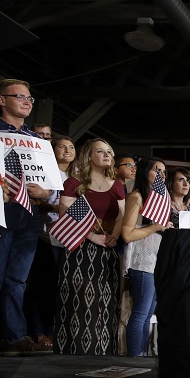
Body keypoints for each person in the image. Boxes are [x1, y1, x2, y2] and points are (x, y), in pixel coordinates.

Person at [0, 79, 53, 364]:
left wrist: (47, 192)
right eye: (20, 96)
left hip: (28, 214)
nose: (28, 102)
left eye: (30, 98)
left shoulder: (36, 140)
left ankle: (16, 337)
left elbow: (48, 182)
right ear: (1, 100)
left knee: (17, 281)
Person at [55, 138, 125, 355]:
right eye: (100, 151)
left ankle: (103, 349)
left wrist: (113, 236)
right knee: (79, 300)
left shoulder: (118, 186)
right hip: (80, 248)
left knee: (105, 301)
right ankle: (74, 350)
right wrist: (91, 236)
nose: (107, 154)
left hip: (109, 250)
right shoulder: (74, 183)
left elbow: (123, 216)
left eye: (109, 151)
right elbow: (64, 214)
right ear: (89, 156)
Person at [25, 135, 76, 349]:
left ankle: (53, 329)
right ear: (52, 150)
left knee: (58, 288)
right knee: (40, 286)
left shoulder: (76, 177)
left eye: (71, 147)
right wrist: (60, 208)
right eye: (62, 146)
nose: (67, 150)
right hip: (44, 236)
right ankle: (38, 330)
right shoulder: (44, 171)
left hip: (66, 240)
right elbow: (36, 201)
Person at [121, 158, 172, 357]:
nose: (161, 175)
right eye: (156, 170)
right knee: (141, 313)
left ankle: (141, 354)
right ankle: (135, 357)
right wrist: (156, 227)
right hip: (142, 260)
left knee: (148, 314)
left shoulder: (158, 198)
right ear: (144, 172)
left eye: (164, 172)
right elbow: (127, 234)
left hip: (156, 260)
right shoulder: (136, 196)